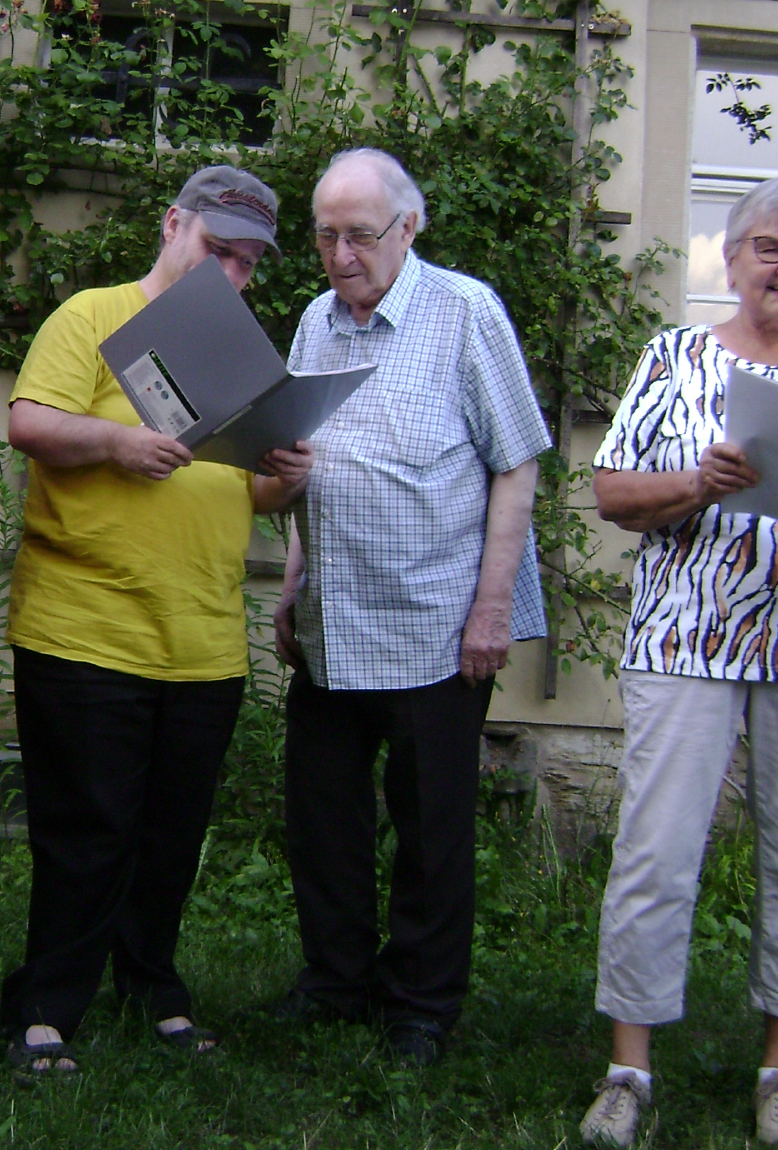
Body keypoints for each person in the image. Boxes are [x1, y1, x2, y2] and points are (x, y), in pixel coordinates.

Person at [578, 175, 778, 1148]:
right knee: (656, 849)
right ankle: (629, 1068)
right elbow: (611, 493)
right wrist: (698, 480)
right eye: (771, 247)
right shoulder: (674, 357)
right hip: (686, 638)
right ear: (731, 258)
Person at [0, 166, 312, 1076]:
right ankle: (46, 1008)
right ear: (173, 225)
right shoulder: (92, 316)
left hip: (202, 639)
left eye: (248, 263)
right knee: (85, 832)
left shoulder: (238, 355)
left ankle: (152, 990)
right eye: (218, 250)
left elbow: (249, 491)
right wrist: (116, 440)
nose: (231, 275)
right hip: (85, 627)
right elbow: (29, 423)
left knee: (171, 837)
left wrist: (287, 476)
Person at [265, 147, 550, 1068]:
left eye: (360, 234)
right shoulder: (315, 320)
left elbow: (516, 463)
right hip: (334, 615)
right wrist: (293, 580)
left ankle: (422, 1004)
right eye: (326, 236)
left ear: (409, 227)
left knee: (431, 827)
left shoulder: (466, 312)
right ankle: (335, 980)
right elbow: (307, 461)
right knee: (324, 818)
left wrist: (492, 610)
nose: (341, 256)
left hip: (435, 619)